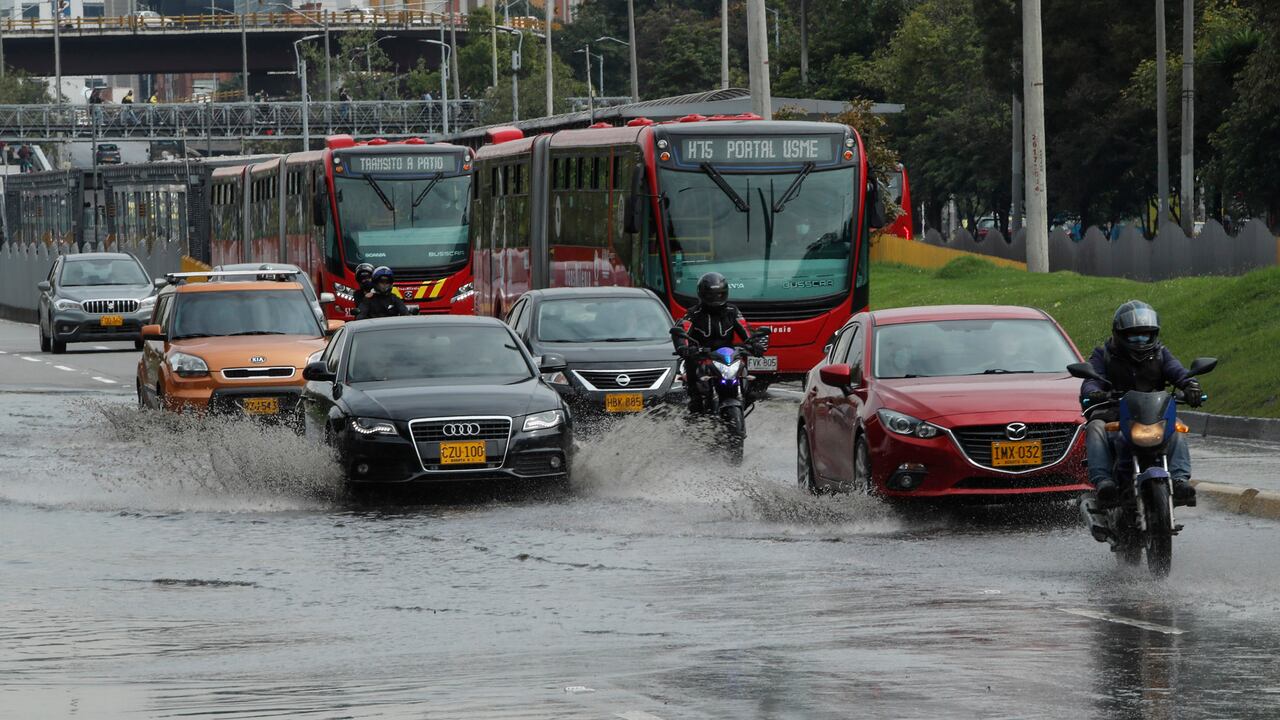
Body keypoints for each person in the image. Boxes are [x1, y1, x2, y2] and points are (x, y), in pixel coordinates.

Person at [1080, 300, 1202, 507]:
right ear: (1119, 334)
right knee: (1095, 427)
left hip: (1154, 413)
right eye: (1133, 335)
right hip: (1115, 413)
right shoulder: (1103, 354)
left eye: (1145, 335)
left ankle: (1180, 480)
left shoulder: (1161, 353)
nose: (1139, 340)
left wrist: (1191, 386)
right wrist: (1095, 393)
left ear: (1153, 334)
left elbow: (1177, 371)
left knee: (1177, 427)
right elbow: (1091, 379)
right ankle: (1104, 482)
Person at [671, 272, 763, 411]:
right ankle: (696, 409)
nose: (715, 298)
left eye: (720, 294)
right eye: (710, 294)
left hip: (727, 356)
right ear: (702, 294)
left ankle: (745, 395)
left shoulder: (732, 311)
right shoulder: (693, 313)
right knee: (696, 391)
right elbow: (682, 331)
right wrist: (683, 348)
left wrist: (755, 343)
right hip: (702, 356)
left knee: (749, 385)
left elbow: (745, 329)